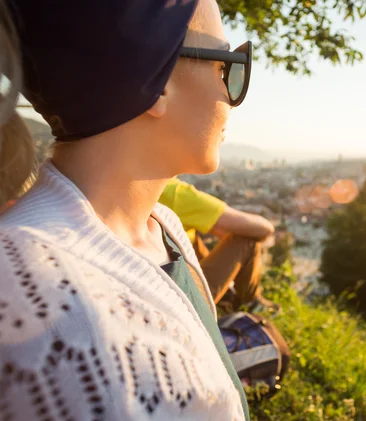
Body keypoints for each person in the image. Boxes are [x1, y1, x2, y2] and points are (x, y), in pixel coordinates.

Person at [0, 0, 254, 419]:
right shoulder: (32, 300)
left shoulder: (161, 228)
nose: (231, 97)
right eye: (228, 66)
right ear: (157, 85)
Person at [159, 178, 280, 312]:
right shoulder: (173, 192)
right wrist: (219, 226)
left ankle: (229, 298)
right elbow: (265, 228)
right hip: (185, 301)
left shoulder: (139, 191)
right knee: (245, 241)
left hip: (159, 290)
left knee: (190, 239)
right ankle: (251, 303)